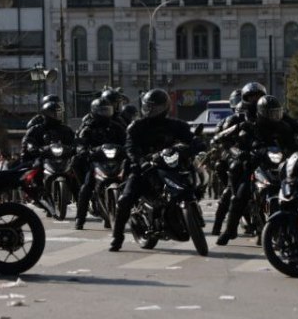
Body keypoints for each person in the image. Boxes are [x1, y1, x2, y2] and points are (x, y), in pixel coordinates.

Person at [109, 89, 203, 251]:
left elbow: (190, 138)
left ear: (165, 107)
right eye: (148, 106)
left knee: (196, 177)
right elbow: (130, 148)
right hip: (145, 168)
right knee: (125, 199)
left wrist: (198, 144)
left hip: (171, 165)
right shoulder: (136, 127)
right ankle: (117, 238)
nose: (151, 110)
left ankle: (190, 214)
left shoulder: (177, 125)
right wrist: (140, 161)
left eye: (156, 107)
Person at [212, 82, 268, 244]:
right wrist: (238, 153)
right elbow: (223, 140)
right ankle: (229, 230)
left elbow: (291, 127)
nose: (255, 100)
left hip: (270, 160)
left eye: (258, 96)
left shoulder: (272, 112)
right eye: (252, 97)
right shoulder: (238, 119)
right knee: (238, 194)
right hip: (248, 162)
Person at [73, 96, 126, 230]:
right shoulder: (88, 127)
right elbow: (80, 142)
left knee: (132, 181)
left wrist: (130, 151)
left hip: (116, 161)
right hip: (97, 162)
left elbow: (127, 141)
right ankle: (80, 219)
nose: (104, 114)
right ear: (94, 111)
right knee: (86, 187)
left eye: (107, 110)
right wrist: (83, 151)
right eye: (101, 111)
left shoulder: (117, 126)